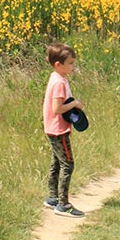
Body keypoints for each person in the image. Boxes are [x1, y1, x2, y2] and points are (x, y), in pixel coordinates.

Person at [43, 42, 85, 217]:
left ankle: (52, 197)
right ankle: (63, 204)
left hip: (52, 128)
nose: (73, 67)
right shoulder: (59, 82)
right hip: (59, 130)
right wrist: (75, 104)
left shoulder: (56, 77)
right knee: (68, 164)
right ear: (58, 65)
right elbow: (57, 109)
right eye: (70, 63)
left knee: (57, 162)